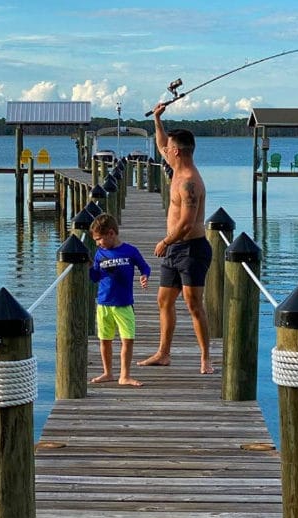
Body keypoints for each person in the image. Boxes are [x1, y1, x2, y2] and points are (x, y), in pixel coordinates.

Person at [137, 102, 213, 374]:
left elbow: (187, 223)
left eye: (169, 148)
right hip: (174, 250)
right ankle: (163, 353)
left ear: (177, 151)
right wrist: (157, 120)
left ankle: (206, 357)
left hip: (191, 248)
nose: (164, 151)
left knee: (193, 304)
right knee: (163, 301)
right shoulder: (176, 168)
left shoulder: (189, 181)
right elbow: (160, 145)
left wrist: (165, 242)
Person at [89, 213, 150, 387]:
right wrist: (86, 266)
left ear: (111, 233)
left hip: (123, 304)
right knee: (105, 340)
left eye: (99, 239)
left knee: (127, 339)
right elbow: (95, 277)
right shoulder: (100, 253)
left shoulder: (129, 251)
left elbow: (144, 266)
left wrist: (144, 276)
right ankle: (108, 372)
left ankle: (125, 375)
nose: (97, 243)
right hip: (104, 303)